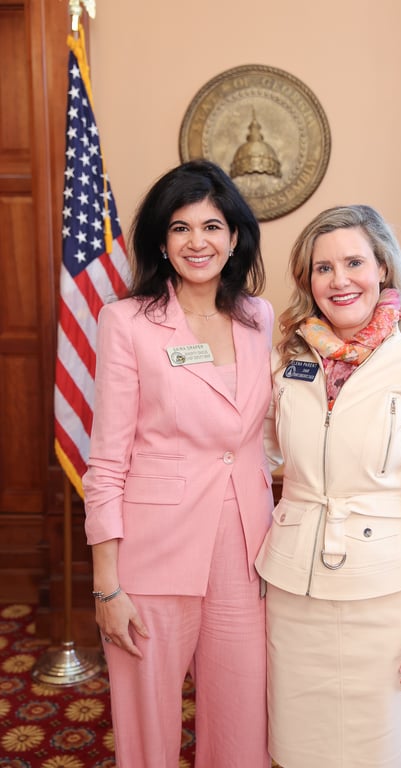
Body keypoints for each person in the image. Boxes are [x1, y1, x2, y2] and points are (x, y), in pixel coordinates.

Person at [256, 204, 401, 768]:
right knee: (299, 749)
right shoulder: (285, 365)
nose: (339, 279)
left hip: (388, 596)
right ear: (308, 280)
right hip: (294, 592)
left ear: (383, 271)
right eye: (323, 267)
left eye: (354, 262)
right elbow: (253, 453)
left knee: (383, 749)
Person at [83, 159, 274, 768]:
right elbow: (107, 461)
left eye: (213, 226)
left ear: (235, 237)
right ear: (162, 244)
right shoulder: (126, 322)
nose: (199, 242)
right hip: (153, 550)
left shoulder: (259, 318)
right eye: (181, 228)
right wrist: (106, 584)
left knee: (244, 720)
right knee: (147, 726)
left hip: (246, 549)